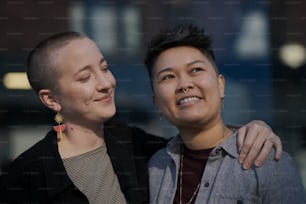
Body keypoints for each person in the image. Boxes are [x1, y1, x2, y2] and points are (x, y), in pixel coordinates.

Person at [0, 32, 282, 204]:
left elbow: (202, 143)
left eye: (104, 68)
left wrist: (252, 130)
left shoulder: (138, 147)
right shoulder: (25, 177)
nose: (105, 83)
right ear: (51, 99)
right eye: (86, 77)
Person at [145, 24, 306, 204]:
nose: (184, 84)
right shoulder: (154, 168)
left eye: (196, 70)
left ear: (220, 85)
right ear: (156, 102)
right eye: (168, 77)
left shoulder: (268, 164)